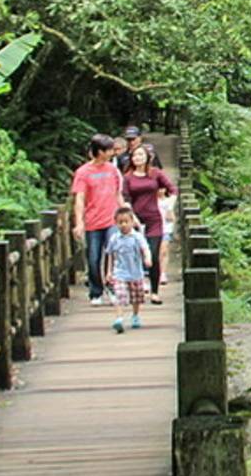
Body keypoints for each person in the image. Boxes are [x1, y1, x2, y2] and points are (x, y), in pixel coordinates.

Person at [71, 133, 123, 305]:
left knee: (114, 252)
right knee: (93, 258)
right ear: (99, 151)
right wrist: (79, 223)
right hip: (93, 221)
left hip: (112, 219)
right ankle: (96, 291)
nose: (112, 153)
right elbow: (79, 198)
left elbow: (118, 194)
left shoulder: (113, 170)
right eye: (108, 150)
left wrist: (125, 214)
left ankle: (113, 287)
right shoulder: (83, 172)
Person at [120, 141, 175, 301]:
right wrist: (132, 216)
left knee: (153, 253)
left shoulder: (155, 173)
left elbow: (172, 189)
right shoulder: (128, 177)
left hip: (154, 219)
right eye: (135, 155)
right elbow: (125, 198)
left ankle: (155, 291)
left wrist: (170, 206)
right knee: (137, 253)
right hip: (135, 220)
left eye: (141, 155)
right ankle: (139, 284)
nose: (138, 158)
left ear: (147, 157)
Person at [102, 206, 152, 333]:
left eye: (126, 222)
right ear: (116, 223)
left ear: (132, 222)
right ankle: (119, 318)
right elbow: (110, 254)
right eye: (120, 222)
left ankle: (135, 315)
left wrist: (147, 258)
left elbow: (145, 248)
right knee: (119, 295)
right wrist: (109, 272)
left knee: (136, 297)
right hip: (120, 273)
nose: (123, 225)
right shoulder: (114, 238)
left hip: (135, 272)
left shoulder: (137, 237)